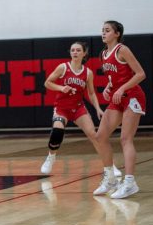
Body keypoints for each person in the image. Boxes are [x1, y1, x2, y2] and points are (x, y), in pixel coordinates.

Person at [40, 41, 122, 177]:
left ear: (84, 53)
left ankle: (110, 166)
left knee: (95, 135)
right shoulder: (63, 67)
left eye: (78, 50)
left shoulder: (88, 73)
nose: (75, 53)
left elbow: (91, 93)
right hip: (62, 108)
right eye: (72, 50)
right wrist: (61, 88)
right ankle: (51, 157)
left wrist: (97, 108)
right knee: (57, 131)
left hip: (78, 108)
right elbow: (47, 82)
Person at [93, 21, 146, 199]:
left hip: (132, 96)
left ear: (116, 34)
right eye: (102, 31)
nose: (103, 33)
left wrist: (122, 88)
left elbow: (140, 74)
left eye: (107, 30)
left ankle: (130, 183)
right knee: (100, 136)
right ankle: (111, 179)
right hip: (118, 97)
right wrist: (109, 87)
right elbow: (113, 77)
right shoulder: (103, 54)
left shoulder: (122, 49)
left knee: (125, 139)